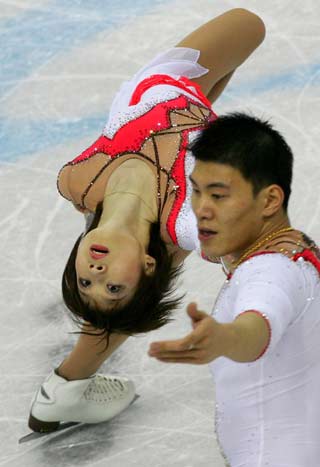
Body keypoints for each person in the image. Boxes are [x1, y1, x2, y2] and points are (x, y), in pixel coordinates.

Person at [29, 9, 266, 433]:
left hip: (167, 80)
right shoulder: (191, 220)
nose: (97, 273)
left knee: (248, 27)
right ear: (146, 265)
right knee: (251, 25)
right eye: (113, 285)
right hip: (182, 103)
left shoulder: (76, 183)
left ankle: (67, 385)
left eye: (85, 281)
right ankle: (68, 383)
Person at [148, 112, 320, 466]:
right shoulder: (290, 246)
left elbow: (257, 327)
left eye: (219, 195)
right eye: (196, 191)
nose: (201, 210)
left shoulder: (269, 271)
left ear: (270, 200)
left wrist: (224, 339)